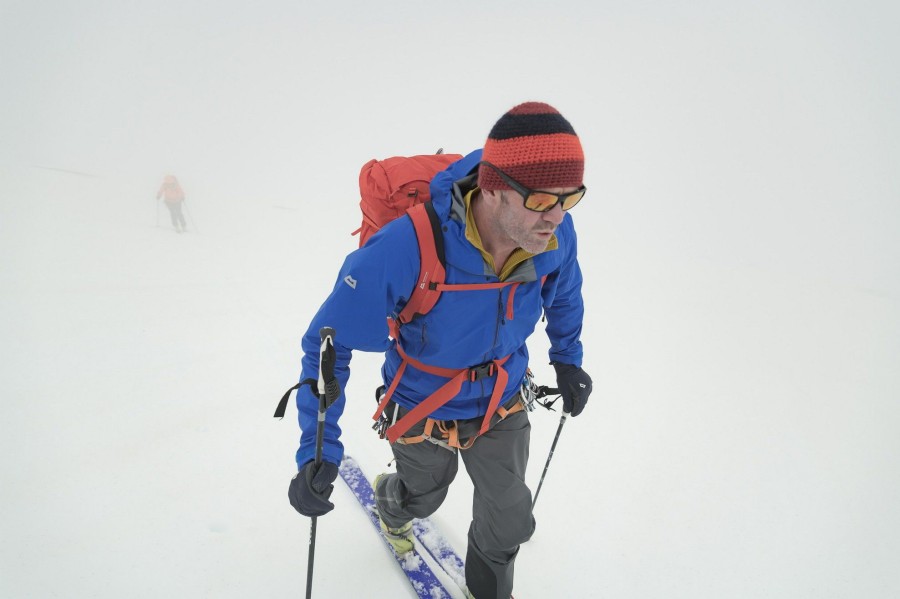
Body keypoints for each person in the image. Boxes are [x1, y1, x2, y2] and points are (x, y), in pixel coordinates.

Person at [287, 102, 594, 599]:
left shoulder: (553, 235)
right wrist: (316, 450)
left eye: (570, 198)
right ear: (493, 187)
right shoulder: (406, 245)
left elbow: (566, 292)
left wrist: (567, 358)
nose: (557, 217)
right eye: (541, 199)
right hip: (422, 405)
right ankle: (394, 502)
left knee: (510, 520)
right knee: (423, 497)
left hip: (503, 399)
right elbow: (327, 344)